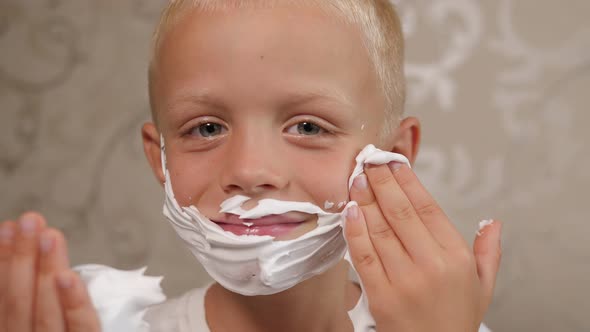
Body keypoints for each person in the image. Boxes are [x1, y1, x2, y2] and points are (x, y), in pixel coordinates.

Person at [0, 0, 503, 331]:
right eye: (206, 128)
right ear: (162, 159)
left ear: (394, 157)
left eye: (308, 127)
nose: (249, 169)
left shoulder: (446, 324)